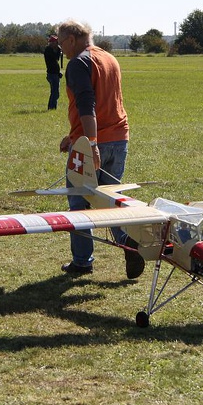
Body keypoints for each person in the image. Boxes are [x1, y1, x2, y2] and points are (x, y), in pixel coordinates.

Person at [56, 19, 145, 279]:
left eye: (61, 43)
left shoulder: (78, 62)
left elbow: (87, 105)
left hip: (93, 142)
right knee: (110, 199)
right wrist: (73, 135)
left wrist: (90, 143)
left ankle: (82, 262)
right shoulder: (109, 58)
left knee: (78, 203)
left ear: (72, 39)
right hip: (119, 138)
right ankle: (129, 244)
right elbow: (106, 102)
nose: (61, 48)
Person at [43, 35, 62, 110]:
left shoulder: (53, 49)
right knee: (55, 92)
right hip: (52, 74)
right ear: (52, 43)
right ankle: (51, 107)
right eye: (56, 42)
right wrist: (58, 50)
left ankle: (53, 107)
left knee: (55, 92)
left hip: (55, 74)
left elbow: (57, 58)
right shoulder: (48, 50)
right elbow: (55, 57)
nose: (57, 43)